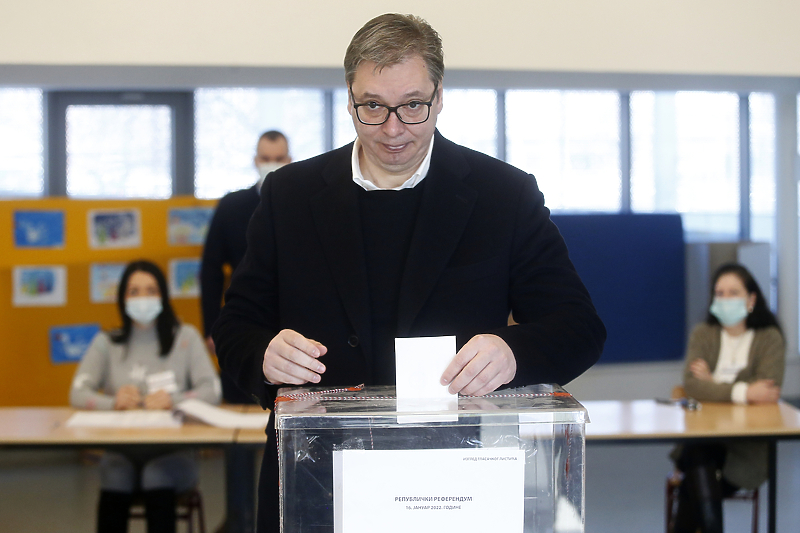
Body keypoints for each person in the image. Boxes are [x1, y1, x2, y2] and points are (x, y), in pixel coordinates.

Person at [212, 13, 606, 533]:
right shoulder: (289, 195)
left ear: (439, 96)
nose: (393, 128)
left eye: (412, 106)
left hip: (455, 484)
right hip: (315, 480)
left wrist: (514, 352)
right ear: (349, 97)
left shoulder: (502, 196)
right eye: (372, 106)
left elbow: (578, 326)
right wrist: (264, 354)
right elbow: (236, 324)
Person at [71, 260, 222, 533]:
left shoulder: (185, 338)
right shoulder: (107, 343)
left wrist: (174, 400)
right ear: (122, 298)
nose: (143, 298)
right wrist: (112, 402)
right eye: (134, 291)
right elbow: (77, 393)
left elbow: (212, 390)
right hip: (122, 451)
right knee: (115, 472)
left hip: (174, 454)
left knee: (156, 473)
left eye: (151, 290)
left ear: (163, 295)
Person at [672, 262, 785, 533]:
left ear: (751, 299)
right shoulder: (704, 333)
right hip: (703, 436)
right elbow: (692, 385)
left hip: (745, 447)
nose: (724, 299)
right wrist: (744, 390)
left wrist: (714, 383)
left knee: (693, 480)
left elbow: (768, 391)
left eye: (733, 292)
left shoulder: (769, 338)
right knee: (699, 452)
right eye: (719, 293)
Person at [201, 129, 292, 398]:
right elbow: (211, 270)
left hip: (290, 319)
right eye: (265, 158)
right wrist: (211, 328)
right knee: (238, 392)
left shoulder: (301, 204)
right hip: (243, 318)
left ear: (289, 160)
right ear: (255, 160)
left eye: (278, 158)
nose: (271, 164)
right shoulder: (231, 206)